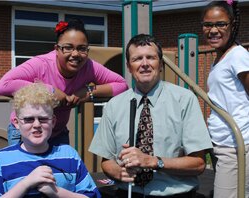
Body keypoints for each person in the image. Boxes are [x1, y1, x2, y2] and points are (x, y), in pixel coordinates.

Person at [89, 34, 212, 198]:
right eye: (137, 59)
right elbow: (107, 162)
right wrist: (119, 173)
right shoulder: (114, 105)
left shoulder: (184, 100)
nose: (144, 64)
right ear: (128, 66)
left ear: (160, 64)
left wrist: (153, 161)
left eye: (151, 57)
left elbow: (198, 163)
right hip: (129, 193)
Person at [0, 19, 128, 146]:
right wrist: (49, 91)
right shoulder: (41, 65)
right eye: (68, 47)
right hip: (26, 132)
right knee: (25, 170)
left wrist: (88, 92)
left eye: (82, 48)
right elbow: (3, 86)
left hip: (57, 133)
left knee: (63, 169)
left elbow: (122, 85)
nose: (75, 54)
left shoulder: (89, 67)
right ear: (56, 49)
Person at [0, 83, 101, 198]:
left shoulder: (69, 155)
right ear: (16, 123)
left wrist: (57, 192)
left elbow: (92, 195)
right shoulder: (1, 160)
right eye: (29, 119)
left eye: (43, 119)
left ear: (53, 122)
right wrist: (25, 184)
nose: (36, 124)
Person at [201, 1, 249, 197]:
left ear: (232, 24)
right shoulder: (220, 58)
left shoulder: (238, 55)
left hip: (236, 146)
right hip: (222, 144)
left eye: (220, 24)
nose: (213, 30)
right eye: (207, 25)